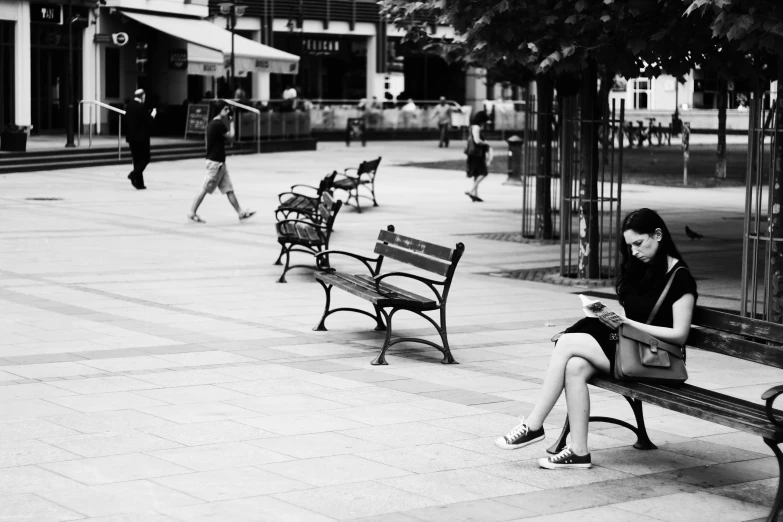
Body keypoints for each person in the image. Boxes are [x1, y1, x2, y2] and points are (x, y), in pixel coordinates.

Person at [495, 208, 698, 470]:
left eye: (639, 243)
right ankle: (578, 451)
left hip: (660, 361)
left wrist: (627, 323)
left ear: (658, 235)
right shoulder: (640, 269)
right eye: (629, 246)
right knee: (574, 366)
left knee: (568, 343)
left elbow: (680, 335)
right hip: (635, 351)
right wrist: (611, 318)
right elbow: (634, 316)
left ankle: (533, 425)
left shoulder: (680, 278)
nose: (634, 251)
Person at [188, 101, 256, 224]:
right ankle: (192, 212)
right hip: (216, 165)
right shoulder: (218, 124)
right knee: (205, 189)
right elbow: (232, 137)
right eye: (225, 109)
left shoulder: (212, 124)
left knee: (229, 189)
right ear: (219, 110)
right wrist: (232, 122)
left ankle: (240, 213)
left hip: (219, 164)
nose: (227, 111)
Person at [125, 88, 156, 190]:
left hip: (131, 138)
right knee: (145, 158)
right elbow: (147, 122)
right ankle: (133, 174)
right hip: (142, 138)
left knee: (136, 160)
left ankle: (139, 183)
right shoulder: (141, 107)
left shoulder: (129, 106)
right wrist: (152, 115)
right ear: (142, 96)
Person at [465, 110, 491, 202]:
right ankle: (472, 191)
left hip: (472, 154)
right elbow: (477, 141)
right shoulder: (477, 128)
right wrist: (486, 143)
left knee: (476, 174)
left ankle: (475, 194)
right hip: (477, 154)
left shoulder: (471, 127)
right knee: (484, 173)